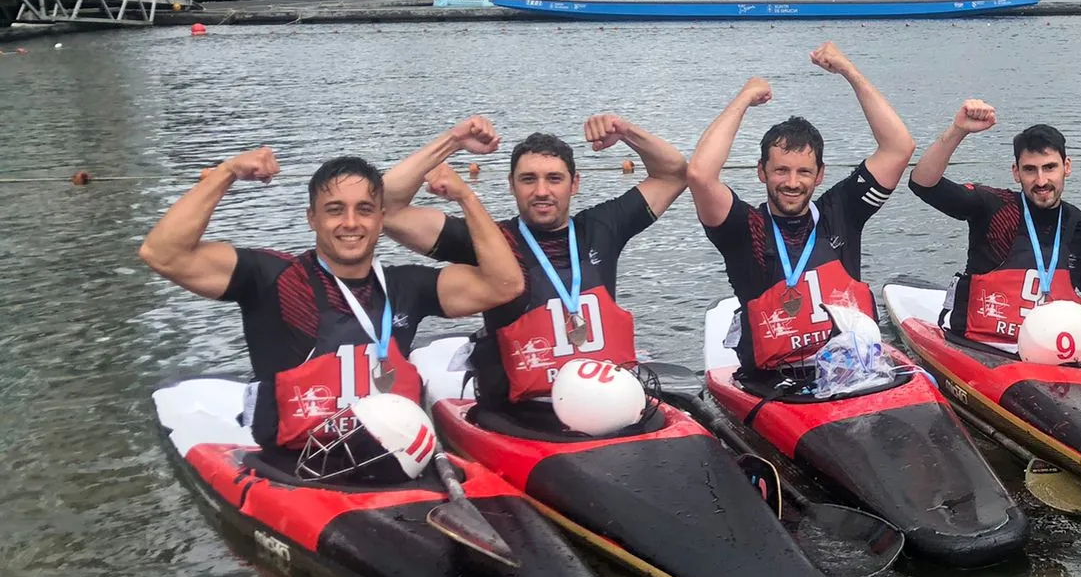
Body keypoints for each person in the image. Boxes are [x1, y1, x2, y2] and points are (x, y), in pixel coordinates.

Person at [137, 146, 522, 465]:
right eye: (335, 209)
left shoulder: (407, 286)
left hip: (394, 459)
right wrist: (227, 172)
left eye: (364, 210)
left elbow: (505, 283)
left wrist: (467, 198)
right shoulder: (273, 278)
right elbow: (162, 253)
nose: (350, 223)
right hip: (296, 468)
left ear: (381, 219)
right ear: (312, 219)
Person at [382, 112, 691, 422]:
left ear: (575, 184)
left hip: (608, 407)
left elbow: (673, 174)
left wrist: (626, 131)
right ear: (511, 186)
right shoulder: (488, 240)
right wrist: (453, 141)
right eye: (528, 179)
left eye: (554, 178)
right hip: (521, 418)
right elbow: (387, 209)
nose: (541, 191)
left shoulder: (602, 227)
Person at [688, 42, 914, 379]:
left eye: (804, 172)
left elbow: (899, 147)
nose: (792, 183)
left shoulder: (841, 213)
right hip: (773, 386)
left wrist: (849, 71)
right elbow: (700, 174)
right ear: (761, 172)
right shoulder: (742, 228)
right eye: (781, 171)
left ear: (820, 175)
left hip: (852, 373)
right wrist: (743, 100)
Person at [911, 100, 1081, 349]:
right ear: (1016, 173)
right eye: (1030, 170)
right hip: (979, 345)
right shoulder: (991, 206)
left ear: (1067, 167)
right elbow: (923, 183)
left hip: (1048, 350)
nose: (1041, 180)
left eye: (1050, 167)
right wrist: (958, 129)